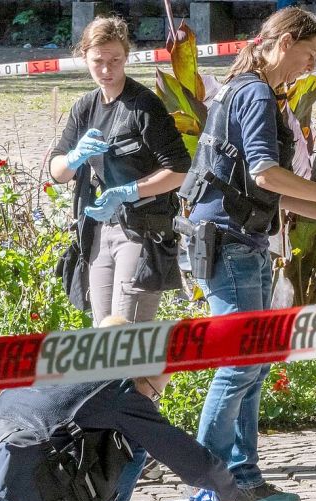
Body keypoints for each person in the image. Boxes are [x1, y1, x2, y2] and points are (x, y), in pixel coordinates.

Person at [177, 7, 316, 501]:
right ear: (283, 42)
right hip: (230, 244)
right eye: (307, 56)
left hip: (245, 240)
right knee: (240, 362)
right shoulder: (256, 93)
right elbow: (267, 173)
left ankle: (244, 477)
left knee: (255, 364)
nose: (307, 69)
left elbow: (269, 190)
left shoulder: (245, 88)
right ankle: (208, 483)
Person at [0, 318, 250, 501]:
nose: (153, 401)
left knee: (18, 451)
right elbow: (189, 458)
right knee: (133, 445)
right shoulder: (119, 388)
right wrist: (234, 492)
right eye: (155, 393)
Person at [49, 15, 190, 329]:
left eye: (115, 60)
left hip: (141, 230)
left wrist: (128, 191)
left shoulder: (144, 106)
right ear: (84, 57)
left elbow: (180, 170)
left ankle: (138, 381)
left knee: (126, 331)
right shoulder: (85, 107)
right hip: (99, 230)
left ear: (127, 57)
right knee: (104, 334)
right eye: (98, 61)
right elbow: (57, 171)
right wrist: (73, 157)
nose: (106, 70)